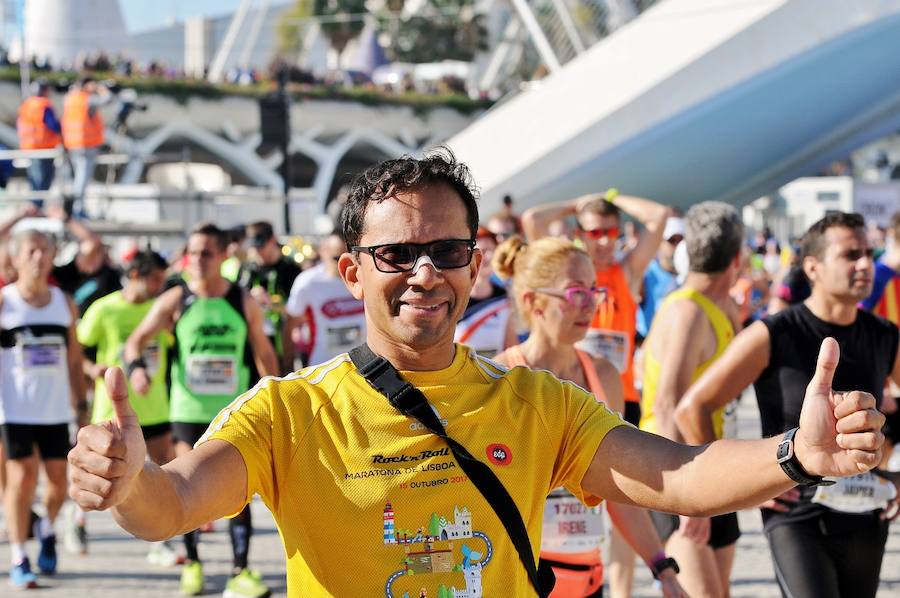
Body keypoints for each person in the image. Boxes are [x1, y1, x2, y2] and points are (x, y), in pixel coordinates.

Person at [69, 151, 886, 598]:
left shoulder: (535, 401)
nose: (424, 273)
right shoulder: (291, 411)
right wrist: (127, 478)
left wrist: (796, 455)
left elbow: (671, 475)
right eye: (396, 253)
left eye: (447, 252)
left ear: (472, 267)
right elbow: (171, 505)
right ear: (353, 273)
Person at [675, 212, 900, 598]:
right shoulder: (774, 332)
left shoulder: (884, 334)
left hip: (865, 506)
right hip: (796, 514)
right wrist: (747, 483)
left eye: (867, 252)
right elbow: (692, 407)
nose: (866, 264)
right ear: (813, 266)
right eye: (850, 254)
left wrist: (895, 476)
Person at [492, 235, 685, 598]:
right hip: (523, 579)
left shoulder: (603, 376)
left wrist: (662, 568)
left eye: (594, 291)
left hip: (587, 579)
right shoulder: (500, 378)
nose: (589, 305)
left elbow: (616, 488)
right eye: (575, 292)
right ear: (533, 301)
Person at [522, 188, 670, 598]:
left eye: (610, 231)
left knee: (619, 495)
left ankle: (619, 590)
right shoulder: (562, 272)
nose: (603, 240)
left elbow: (658, 215)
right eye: (594, 232)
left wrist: (614, 197)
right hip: (562, 389)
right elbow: (533, 217)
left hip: (615, 394)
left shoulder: (627, 271)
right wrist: (577, 204)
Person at [123, 222, 279, 597]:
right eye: (192, 252)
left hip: (233, 412)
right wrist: (137, 369)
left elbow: (264, 354)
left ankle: (240, 571)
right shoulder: (176, 300)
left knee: (239, 493)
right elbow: (135, 342)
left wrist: (277, 397)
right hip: (188, 411)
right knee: (185, 488)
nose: (197, 260)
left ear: (224, 256)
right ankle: (193, 564)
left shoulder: (241, 301)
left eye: (206, 252)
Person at [639, 202, 745, 598]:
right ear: (738, 257)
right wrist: (686, 500)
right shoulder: (686, 311)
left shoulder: (722, 307)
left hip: (714, 465)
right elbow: (667, 405)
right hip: (675, 474)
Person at [1, 229, 87, 588]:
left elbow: (74, 358)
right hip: (15, 409)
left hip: (54, 411)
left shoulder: (62, 302)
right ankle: (19, 555)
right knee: (22, 477)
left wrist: (80, 405)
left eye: (45, 251)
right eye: (32, 251)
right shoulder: (5, 302)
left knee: (57, 485)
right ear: (17, 258)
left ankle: (47, 527)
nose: (39, 258)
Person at [285, 233, 366, 367]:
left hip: (363, 365)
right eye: (337, 258)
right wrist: (287, 367)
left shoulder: (364, 276)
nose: (345, 263)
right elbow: (289, 327)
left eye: (351, 256)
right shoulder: (307, 282)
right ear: (323, 252)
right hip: (323, 367)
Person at [238, 221, 302, 373]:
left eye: (261, 246)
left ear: (272, 240)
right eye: (254, 247)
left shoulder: (290, 269)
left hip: (283, 340)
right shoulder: (247, 270)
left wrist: (272, 303)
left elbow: (298, 311)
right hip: (254, 341)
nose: (258, 252)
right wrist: (251, 300)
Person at [454, 226, 516, 358]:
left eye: (493, 250)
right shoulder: (456, 296)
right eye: (484, 251)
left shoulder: (503, 296)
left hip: (494, 374)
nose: (490, 256)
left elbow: (510, 346)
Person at [61, 76, 111, 218]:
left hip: (72, 143)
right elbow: (107, 99)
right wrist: (101, 89)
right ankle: (78, 209)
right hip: (85, 145)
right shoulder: (85, 99)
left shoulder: (70, 98)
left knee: (78, 177)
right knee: (82, 179)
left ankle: (75, 208)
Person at [636, 217, 684, 340]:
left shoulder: (693, 274)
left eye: (681, 240)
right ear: (659, 243)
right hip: (651, 346)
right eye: (672, 240)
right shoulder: (645, 273)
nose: (677, 246)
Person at [17, 79, 62, 203]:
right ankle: (36, 207)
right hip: (43, 147)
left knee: (34, 179)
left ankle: (34, 206)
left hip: (29, 146)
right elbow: (53, 125)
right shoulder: (44, 105)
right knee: (42, 179)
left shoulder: (26, 104)